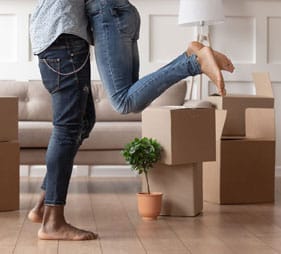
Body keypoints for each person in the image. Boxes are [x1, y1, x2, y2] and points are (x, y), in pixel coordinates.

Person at [28, 0, 234, 241]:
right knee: (79, 123)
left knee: (77, 124)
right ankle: (47, 210)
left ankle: (49, 213)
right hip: (65, 33)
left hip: (65, 32)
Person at [85, 0, 234, 114]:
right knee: (134, 96)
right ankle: (189, 56)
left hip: (106, 15)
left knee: (123, 102)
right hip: (120, 12)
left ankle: (195, 63)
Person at [28, 0, 98, 241]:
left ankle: (42, 206)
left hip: (59, 36)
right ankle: (52, 223)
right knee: (67, 129)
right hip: (63, 37)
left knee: (85, 120)